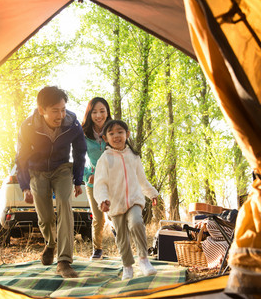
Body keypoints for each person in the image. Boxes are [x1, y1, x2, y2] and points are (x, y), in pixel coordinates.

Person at [15, 86, 87, 278]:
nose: (61, 115)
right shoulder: (28, 127)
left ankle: (64, 261)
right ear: (42, 110)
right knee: (45, 217)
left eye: (63, 109)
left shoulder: (73, 124)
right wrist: (24, 187)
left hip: (62, 168)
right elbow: (21, 158)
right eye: (55, 110)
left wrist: (78, 180)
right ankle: (50, 243)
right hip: (37, 171)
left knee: (65, 204)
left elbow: (80, 152)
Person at [93, 120, 158, 280]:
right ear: (105, 138)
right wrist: (103, 200)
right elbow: (100, 183)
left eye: (120, 132)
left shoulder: (133, 156)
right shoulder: (105, 159)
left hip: (134, 200)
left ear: (127, 134)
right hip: (114, 204)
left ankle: (143, 259)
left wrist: (152, 193)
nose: (116, 136)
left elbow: (141, 179)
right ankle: (127, 266)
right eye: (112, 133)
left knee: (136, 222)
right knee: (121, 236)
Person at [81, 97, 113, 260]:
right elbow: (80, 158)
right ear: (89, 114)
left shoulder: (114, 129)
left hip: (113, 180)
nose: (98, 115)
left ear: (107, 113)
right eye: (94, 112)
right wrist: (88, 175)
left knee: (116, 214)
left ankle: (122, 244)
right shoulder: (83, 134)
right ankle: (97, 249)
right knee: (98, 218)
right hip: (93, 181)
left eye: (102, 111)